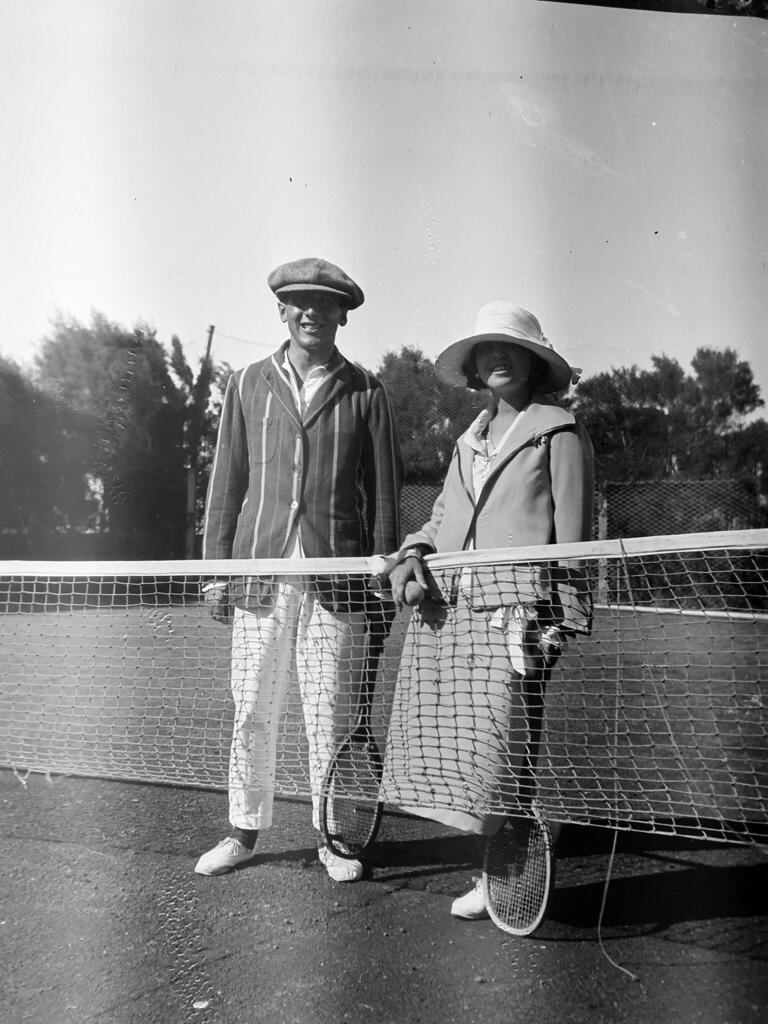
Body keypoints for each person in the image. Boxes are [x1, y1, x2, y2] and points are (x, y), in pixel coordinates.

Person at [384, 300, 594, 919]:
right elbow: (446, 519)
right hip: (456, 613)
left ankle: (509, 877)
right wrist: (414, 551)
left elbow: (575, 536)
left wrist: (561, 616)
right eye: (487, 349)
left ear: (532, 364)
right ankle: (498, 870)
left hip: (520, 613)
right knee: (472, 748)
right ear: (475, 365)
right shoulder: (465, 439)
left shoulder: (558, 429)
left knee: (511, 745)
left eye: (513, 349)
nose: (498, 358)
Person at [195, 257, 402, 882]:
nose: (311, 312)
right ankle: (242, 830)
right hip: (259, 573)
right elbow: (226, 480)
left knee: (326, 711)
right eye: (299, 302)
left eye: (324, 303)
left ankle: (331, 837)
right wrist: (215, 570)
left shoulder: (366, 389)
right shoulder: (246, 382)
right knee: (252, 704)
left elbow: (386, 493)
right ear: (282, 311)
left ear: (343, 314)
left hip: (335, 579)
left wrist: (384, 573)